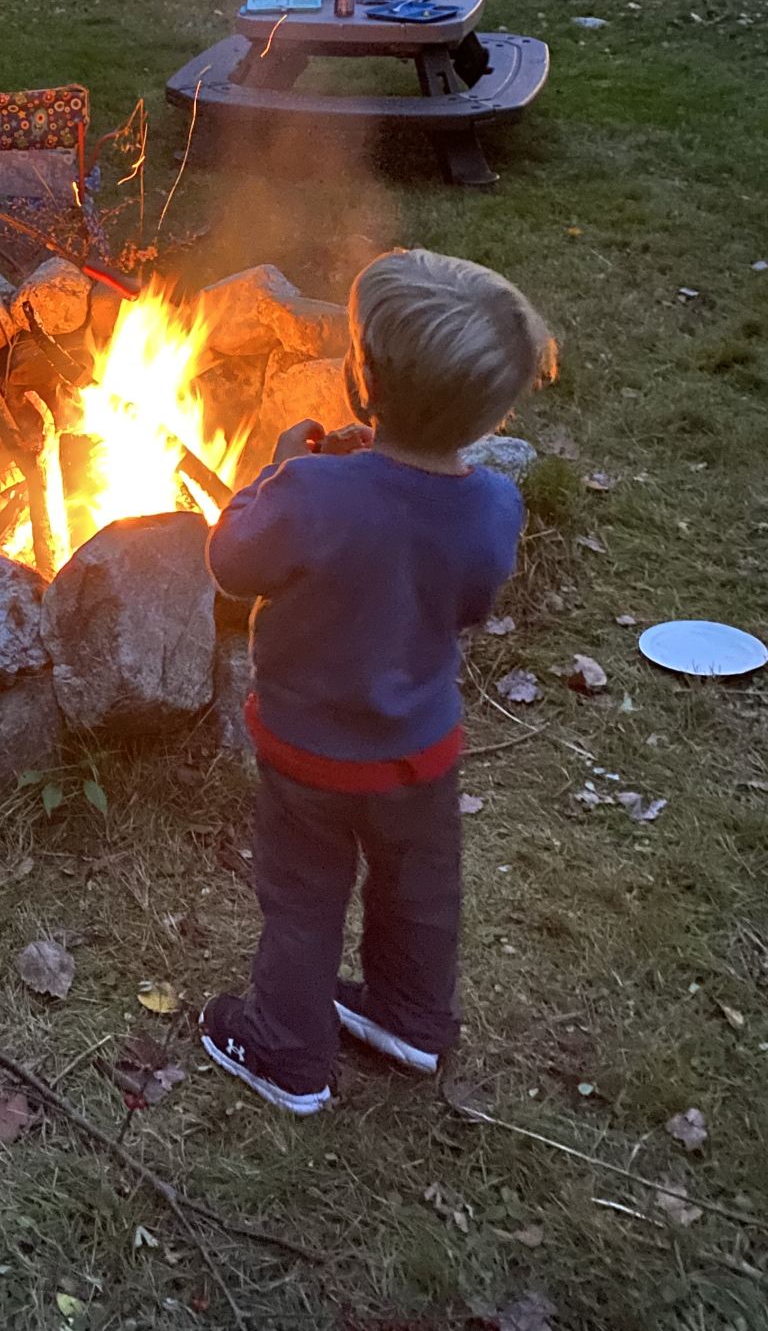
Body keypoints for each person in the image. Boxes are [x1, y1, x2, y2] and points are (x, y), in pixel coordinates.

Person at [198, 247, 556, 1114]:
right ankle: (411, 1017)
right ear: (491, 412)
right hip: (420, 755)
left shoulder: (311, 490)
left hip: (307, 757)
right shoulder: (494, 508)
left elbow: (232, 561)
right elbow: (464, 594)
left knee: (303, 897)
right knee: (421, 889)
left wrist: (276, 472)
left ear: (361, 384)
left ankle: (288, 1052)